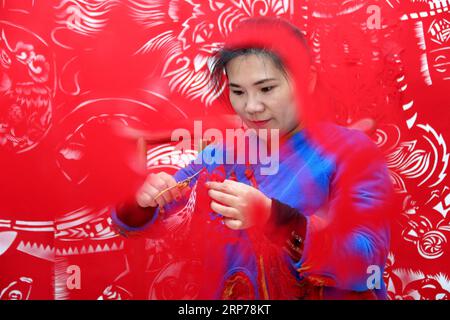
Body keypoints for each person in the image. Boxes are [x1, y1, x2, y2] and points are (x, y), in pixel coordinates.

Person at [112, 17, 394, 300]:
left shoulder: (351, 151)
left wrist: (274, 219)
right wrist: (143, 201)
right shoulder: (220, 155)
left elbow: (366, 264)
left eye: (267, 89)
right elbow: (138, 222)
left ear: (307, 81)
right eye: (238, 92)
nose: (251, 106)